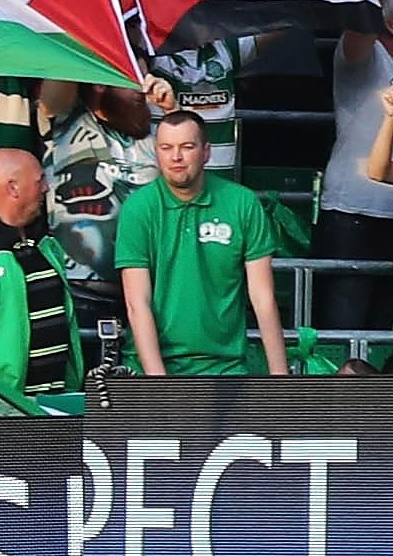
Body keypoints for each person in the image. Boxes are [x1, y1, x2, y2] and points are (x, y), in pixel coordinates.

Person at [113, 109, 294, 376]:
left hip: (226, 368)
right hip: (151, 369)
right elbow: (137, 303)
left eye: (187, 146)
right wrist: (158, 385)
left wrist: (280, 377)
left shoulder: (242, 203)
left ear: (206, 152)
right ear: (156, 152)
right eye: (166, 147)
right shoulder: (137, 208)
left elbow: (263, 297)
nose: (176, 157)